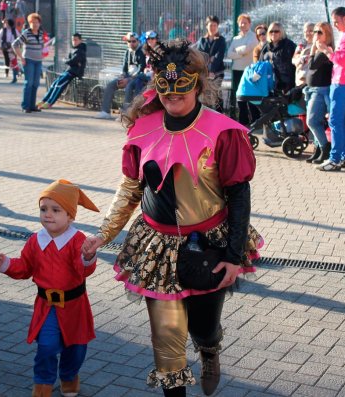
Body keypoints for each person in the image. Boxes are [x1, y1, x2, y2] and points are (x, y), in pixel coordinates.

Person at [82, 40, 263, 397]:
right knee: (167, 345)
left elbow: (239, 194)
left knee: (203, 326)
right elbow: (132, 187)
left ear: (198, 85)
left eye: (182, 84)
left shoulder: (223, 132)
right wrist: (103, 234)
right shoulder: (143, 128)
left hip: (210, 244)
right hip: (156, 247)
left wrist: (231, 254)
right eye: (164, 85)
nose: (172, 93)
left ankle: (210, 351)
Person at [0, 180, 99, 397]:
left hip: (74, 306)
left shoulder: (78, 240)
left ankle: (69, 376)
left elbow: (83, 270)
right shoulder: (35, 240)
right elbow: (24, 266)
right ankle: (43, 383)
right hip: (47, 305)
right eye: (43, 209)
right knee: (47, 347)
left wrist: (88, 257)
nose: (48, 214)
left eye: (56, 210)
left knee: (76, 348)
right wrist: (6, 264)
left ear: (70, 216)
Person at [316, 7, 345, 171]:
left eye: (336, 21)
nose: (334, 25)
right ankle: (344, 156)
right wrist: (330, 51)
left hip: (342, 83)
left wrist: (326, 52)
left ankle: (335, 159)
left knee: (335, 120)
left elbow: (341, 59)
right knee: (343, 121)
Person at [94, 32, 146, 119]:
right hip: (127, 76)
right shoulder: (127, 52)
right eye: (129, 41)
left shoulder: (141, 52)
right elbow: (124, 68)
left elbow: (142, 69)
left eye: (134, 41)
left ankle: (126, 114)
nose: (131, 43)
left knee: (129, 86)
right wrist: (123, 76)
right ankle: (105, 111)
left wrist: (129, 78)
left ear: (138, 41)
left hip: (137, 78)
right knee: (111, 84)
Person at [304, 22, 334, 165]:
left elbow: (311, 65)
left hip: (320, 90)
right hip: (311, 89)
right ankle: (318, 149)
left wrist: (313, 50)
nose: (316, 34)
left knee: (312, 121)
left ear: (327, 34)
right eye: (315, 31)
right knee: (317, 122)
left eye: (320, 32)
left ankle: (324, 147)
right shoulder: (318, 49)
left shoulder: (325, 50)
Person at [37, 33, 87, 109]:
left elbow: (72, 61)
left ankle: (49, 103)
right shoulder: (74, 49)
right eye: (73, 40)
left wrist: (68, 60)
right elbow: (70, 60)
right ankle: (44, 100)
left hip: (73, 73)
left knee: (59, 85)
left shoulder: (81, 51)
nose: (74, 41)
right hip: (69, 70)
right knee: (54, 83)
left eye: (76, 40)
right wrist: (69, 60)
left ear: (80, 40)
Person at [13, 12, 47, 113]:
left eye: (37, 22)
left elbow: (42, 46)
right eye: (33, 22)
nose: (35, 24)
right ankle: (25, 106)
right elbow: (15, 44)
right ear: (29, 23)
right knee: (29, 83)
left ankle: (32, 105)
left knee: (36, 83)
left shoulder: (41, 33)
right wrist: (21, 58)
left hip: (38, 61)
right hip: (29, 61)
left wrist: (43, 52)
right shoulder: (26, 33)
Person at [227, 14, 258, 124]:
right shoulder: (235, 39)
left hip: (248, 71)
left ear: (249, 24)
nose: (242, 24)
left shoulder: (253, 36)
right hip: (237, 70)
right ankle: (243, 120)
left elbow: (248, 49)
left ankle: (255, 120)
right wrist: (241, 54)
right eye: (240, 22)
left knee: (250, 96)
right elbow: (229, 54)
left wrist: (239, 52)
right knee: (239, 96)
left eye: (245, 22)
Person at [196, 16, 227, 111]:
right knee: (204, 94)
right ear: (206, 26)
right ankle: (205, 114)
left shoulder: (221, 40)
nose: (212, 27)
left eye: (215, 25)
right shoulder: (202, 40)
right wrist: (209, 59)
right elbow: (199, 56)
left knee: (217, 94)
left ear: (217, 26)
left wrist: (212, 70)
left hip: (217, 72)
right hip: (204, 73)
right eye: (210, 25)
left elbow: (219, 56)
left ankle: (220, 115)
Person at [259, 22, 297, 94]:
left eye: (276, 31)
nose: (273, 33)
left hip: (286, 84)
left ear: (281, 32)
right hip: (269, 84)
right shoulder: (266, 47)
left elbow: (290, 64)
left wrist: (273, 56)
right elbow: (260, 63)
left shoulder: (289, 45)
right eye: (271, 31)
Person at [292, 22, 315, 87]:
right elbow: (293, 60)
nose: (308, 33)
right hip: (300, 79)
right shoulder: (301, 46)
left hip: (312, 79)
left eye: (310, 31)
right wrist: (301, 59)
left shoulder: (318, 45)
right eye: (305, 32)